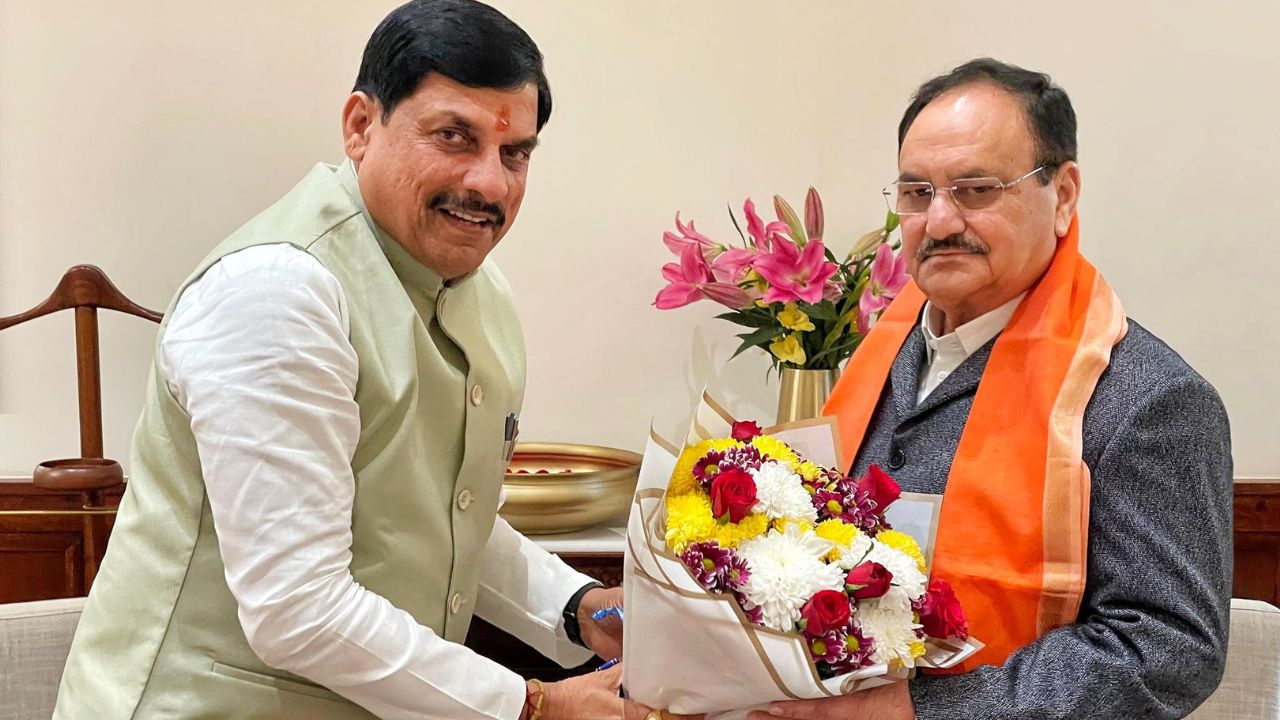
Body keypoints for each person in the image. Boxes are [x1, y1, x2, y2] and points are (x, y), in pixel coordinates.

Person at [54, 2, 660, 718]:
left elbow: (440, 521)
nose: (491, 183)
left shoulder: (474, 287)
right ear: (360, 126)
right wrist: (533, 704)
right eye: (453, 137)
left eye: (514, 153)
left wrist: (577, 607)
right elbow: (296, 609)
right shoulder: (278, 295)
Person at [759, 59, 1232, 720]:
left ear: (1063, 195)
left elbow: (1164, 649)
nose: (941, 220)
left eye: (976, 189)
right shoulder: (882, 354)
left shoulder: (1148, 400)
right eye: (917, 193)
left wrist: (922, 711)